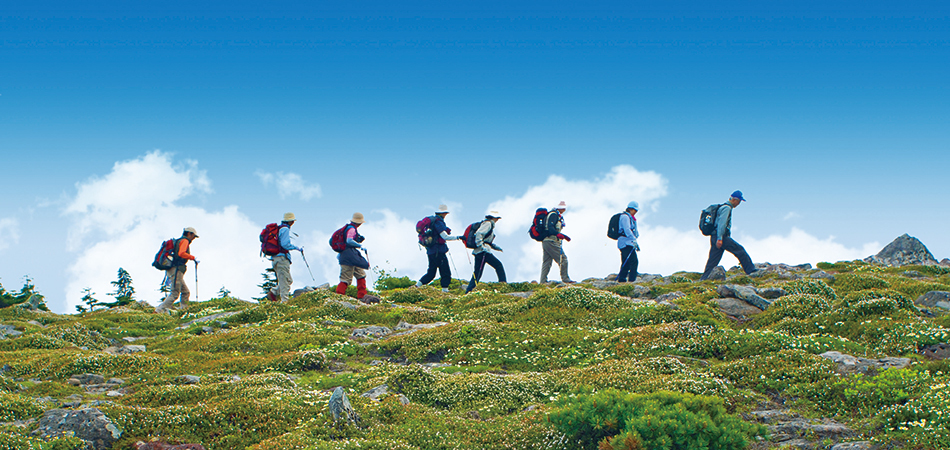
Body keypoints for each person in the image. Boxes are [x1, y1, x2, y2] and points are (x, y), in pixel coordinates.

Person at [700, 190, 757, 280]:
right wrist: (720, 238)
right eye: (739, 201)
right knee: (740, 250)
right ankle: (751, 271)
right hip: (721, 237)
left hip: (714, 237)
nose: (739, 204)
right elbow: (721, 224)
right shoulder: (727, 208)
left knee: (713, 260)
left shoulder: (721, 207)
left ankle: (704, 278)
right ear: (734, 199)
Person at [416, 205, 463, 292]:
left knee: (431, 273)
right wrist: (458, 237)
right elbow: (444, 236)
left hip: (431, 251)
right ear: (444, 213)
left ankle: (417, 286)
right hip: (439, 251)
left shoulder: (432, 221)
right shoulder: (438, 222)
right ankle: (445, 291)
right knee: (446, 272)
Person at [155, 227, 199, 314]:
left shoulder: (179, 241)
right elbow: (181, 253)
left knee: (185, 292)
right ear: (189, 234)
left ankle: (184, 311)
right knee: (175, 293)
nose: (193, 238)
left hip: (173, 269)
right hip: (176, 269)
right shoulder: (185, 241)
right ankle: (159, 310)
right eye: (193, 236)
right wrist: (192, 257)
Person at [335, 212, 373, 301]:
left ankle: (362, 295)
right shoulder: (351, 229)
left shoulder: (348, 228)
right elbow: (349, 241)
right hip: (349, 257)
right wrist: (360, 246)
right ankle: (340, 297)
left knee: (361, 274)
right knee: (346, 279)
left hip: (347, 256)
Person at [465, 211, 506, 293]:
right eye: (497, 218)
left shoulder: (486, 223)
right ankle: (503, 285)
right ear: (493, 218)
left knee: (477, 273)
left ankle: (469, 290)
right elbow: (479, 234)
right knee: (498, 265)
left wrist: (494, 247)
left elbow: (486, 240)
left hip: (479, 252)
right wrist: (481, 246)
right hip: (483, 252)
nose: (497, 220)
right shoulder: (488, 224)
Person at [267, 213, 304, 302]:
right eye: (293, 221)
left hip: (276, 258)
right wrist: (297, 248)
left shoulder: (280, 229)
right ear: (290, 221)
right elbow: (285, 244)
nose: (293, 223)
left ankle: (274, 292)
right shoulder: (285, 229)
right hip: (282, 259)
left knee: (288, 280)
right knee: (284, 282)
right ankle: (284, 302)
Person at [540, 201, 573, 284]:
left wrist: (563, 236)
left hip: (546, 241)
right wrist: (559, 234)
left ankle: (543, 281)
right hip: (551, 241)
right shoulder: (554, 215)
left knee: (547, 262)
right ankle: (565, 279)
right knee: (563, 259)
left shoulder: (553, 214)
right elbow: (550, 228)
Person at [617, 201, 640, 282]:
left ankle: (622, 279)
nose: (636, 212)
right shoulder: (625, 217)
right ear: (631, 209)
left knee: (627, 262)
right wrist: (634, 239)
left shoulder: (631, 219)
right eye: (635, 210)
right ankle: (630, 280)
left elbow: (635, 232)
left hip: (629, 243)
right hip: (624, 242)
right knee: (633, 261)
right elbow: (627, 230)